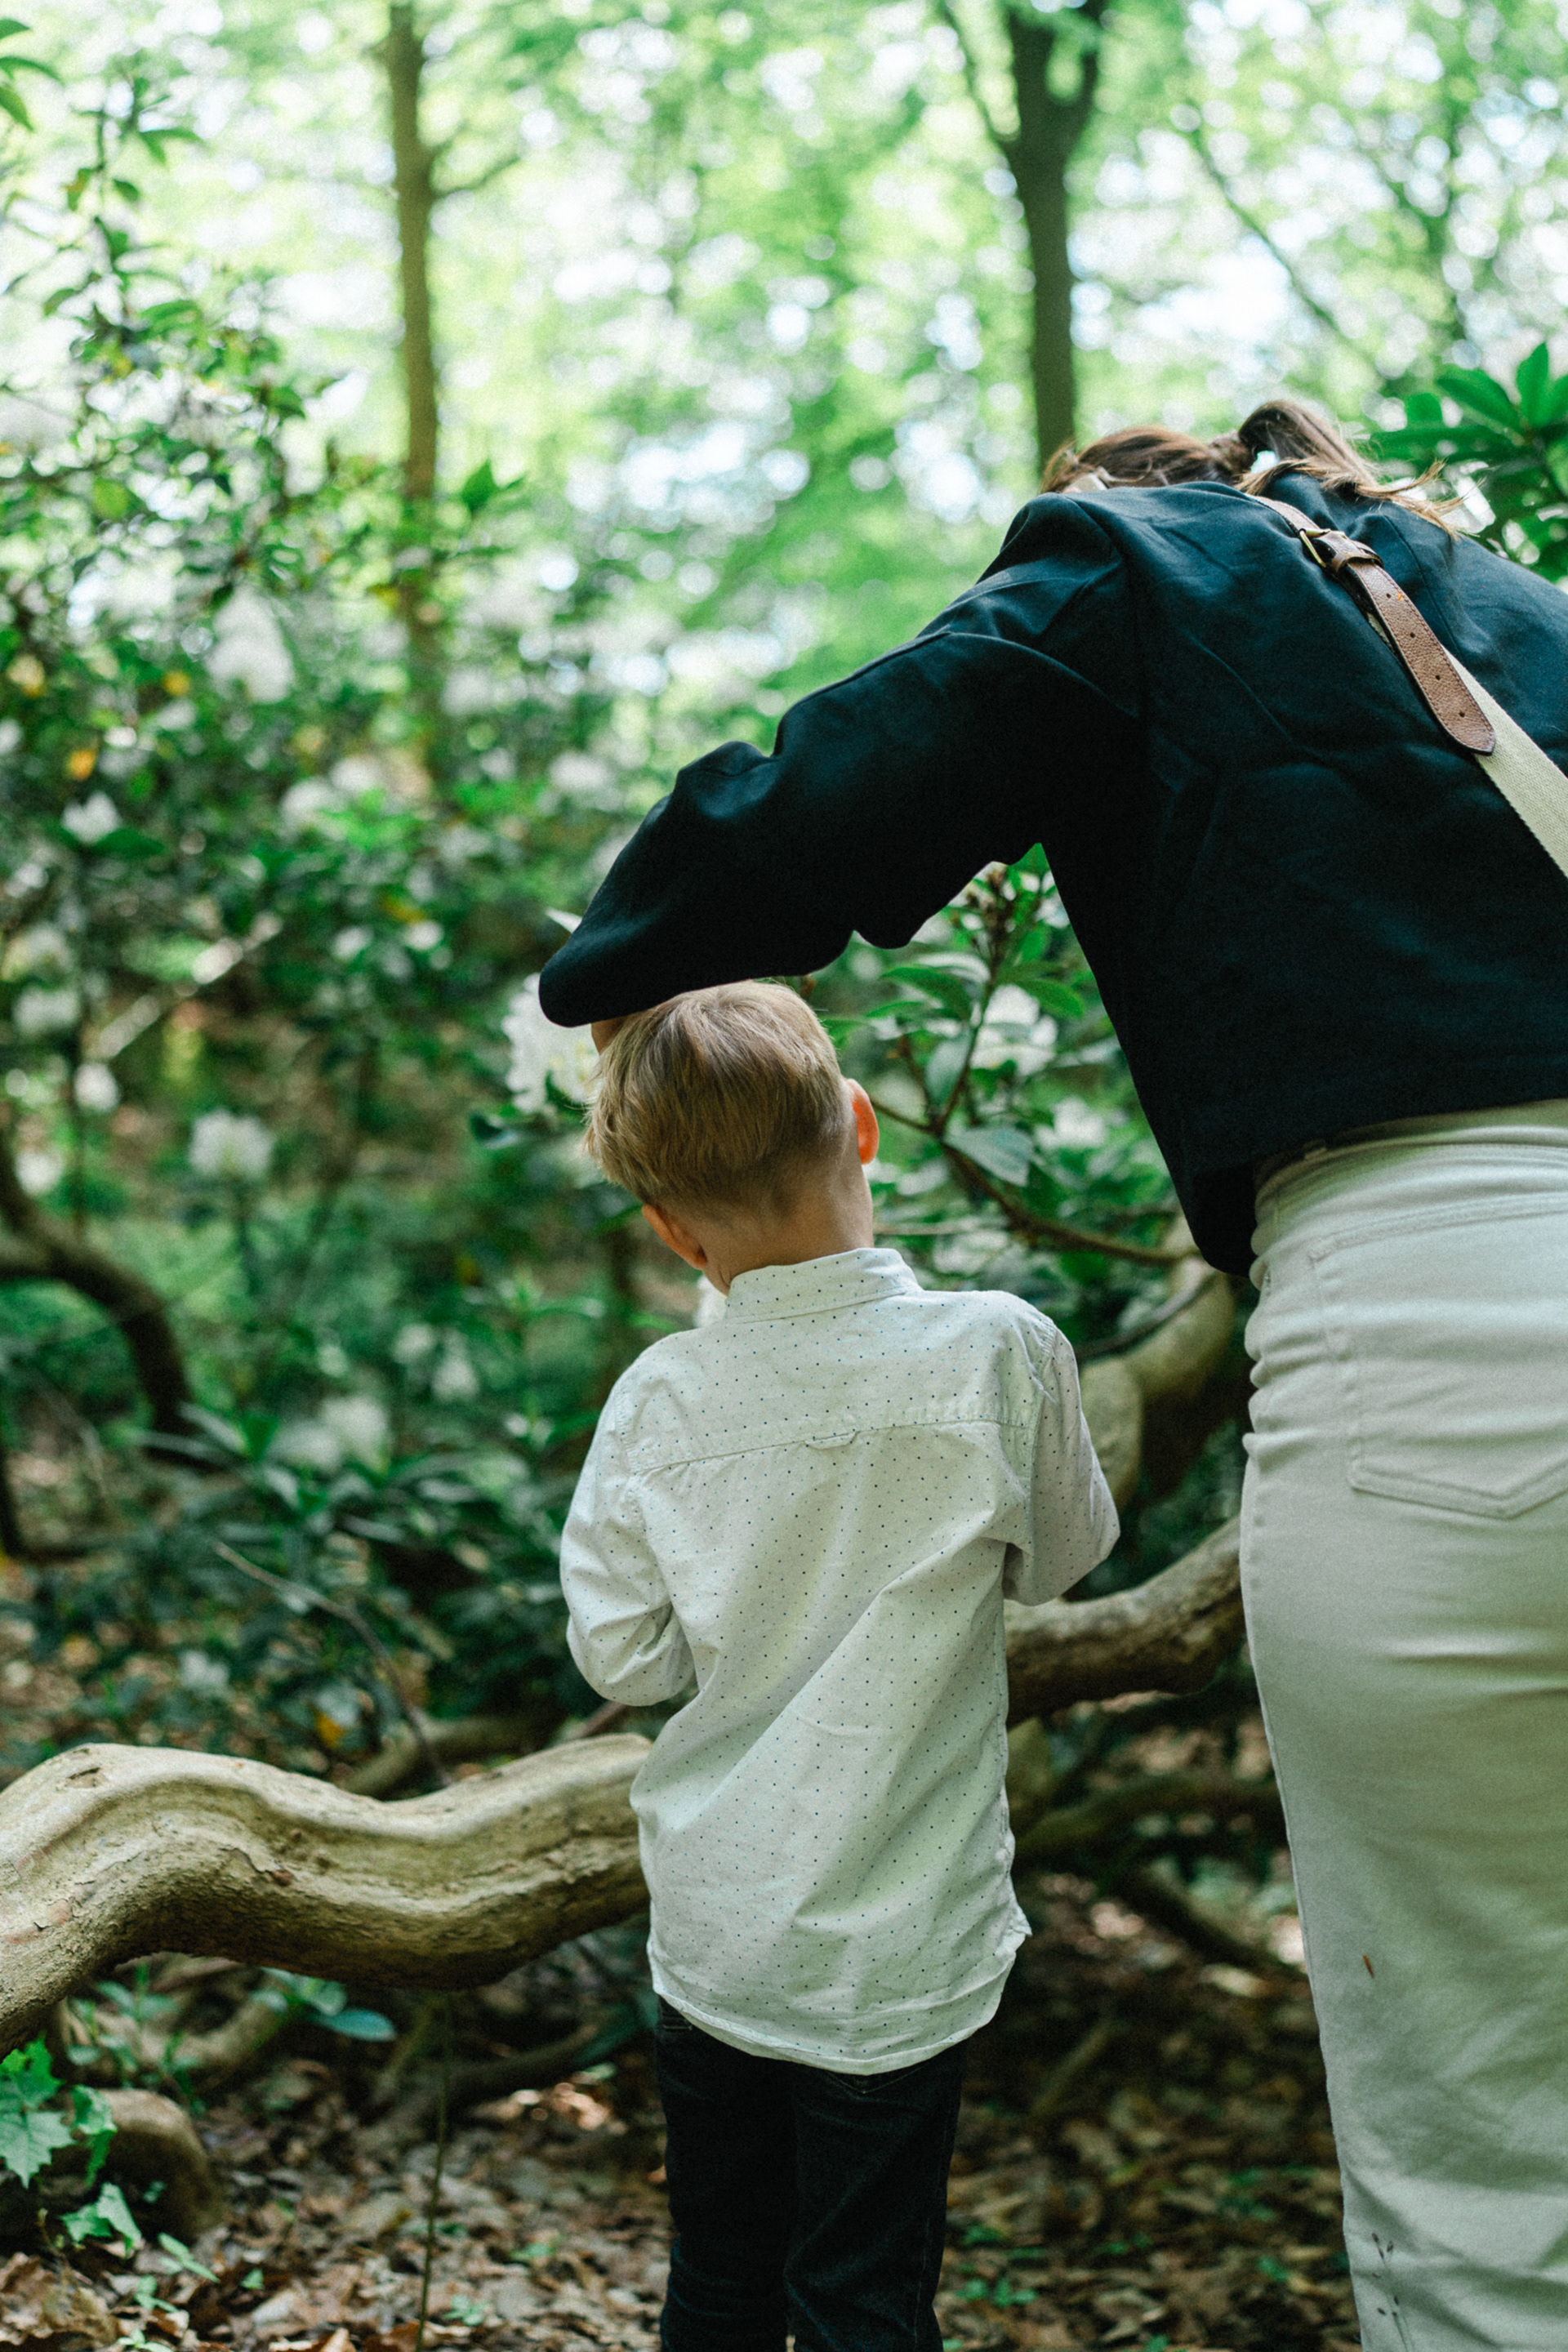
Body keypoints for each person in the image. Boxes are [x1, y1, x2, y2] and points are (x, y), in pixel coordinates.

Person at [541, 401, 1568, 2352]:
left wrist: (607, 966)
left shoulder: (1136, 565)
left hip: (1432, 1342)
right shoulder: (1521, 608)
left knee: (1489, 2162)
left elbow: (828, 801)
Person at [559, 980, 1117, 2352]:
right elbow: (1064, 1558)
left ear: (672, 1230)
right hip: (900, 1948)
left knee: (720, 2281)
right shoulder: (999, 1352)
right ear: (862, 1125)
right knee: (864, 2299)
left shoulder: (660, 1401)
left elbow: (623, 1652)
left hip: (719, 1932)